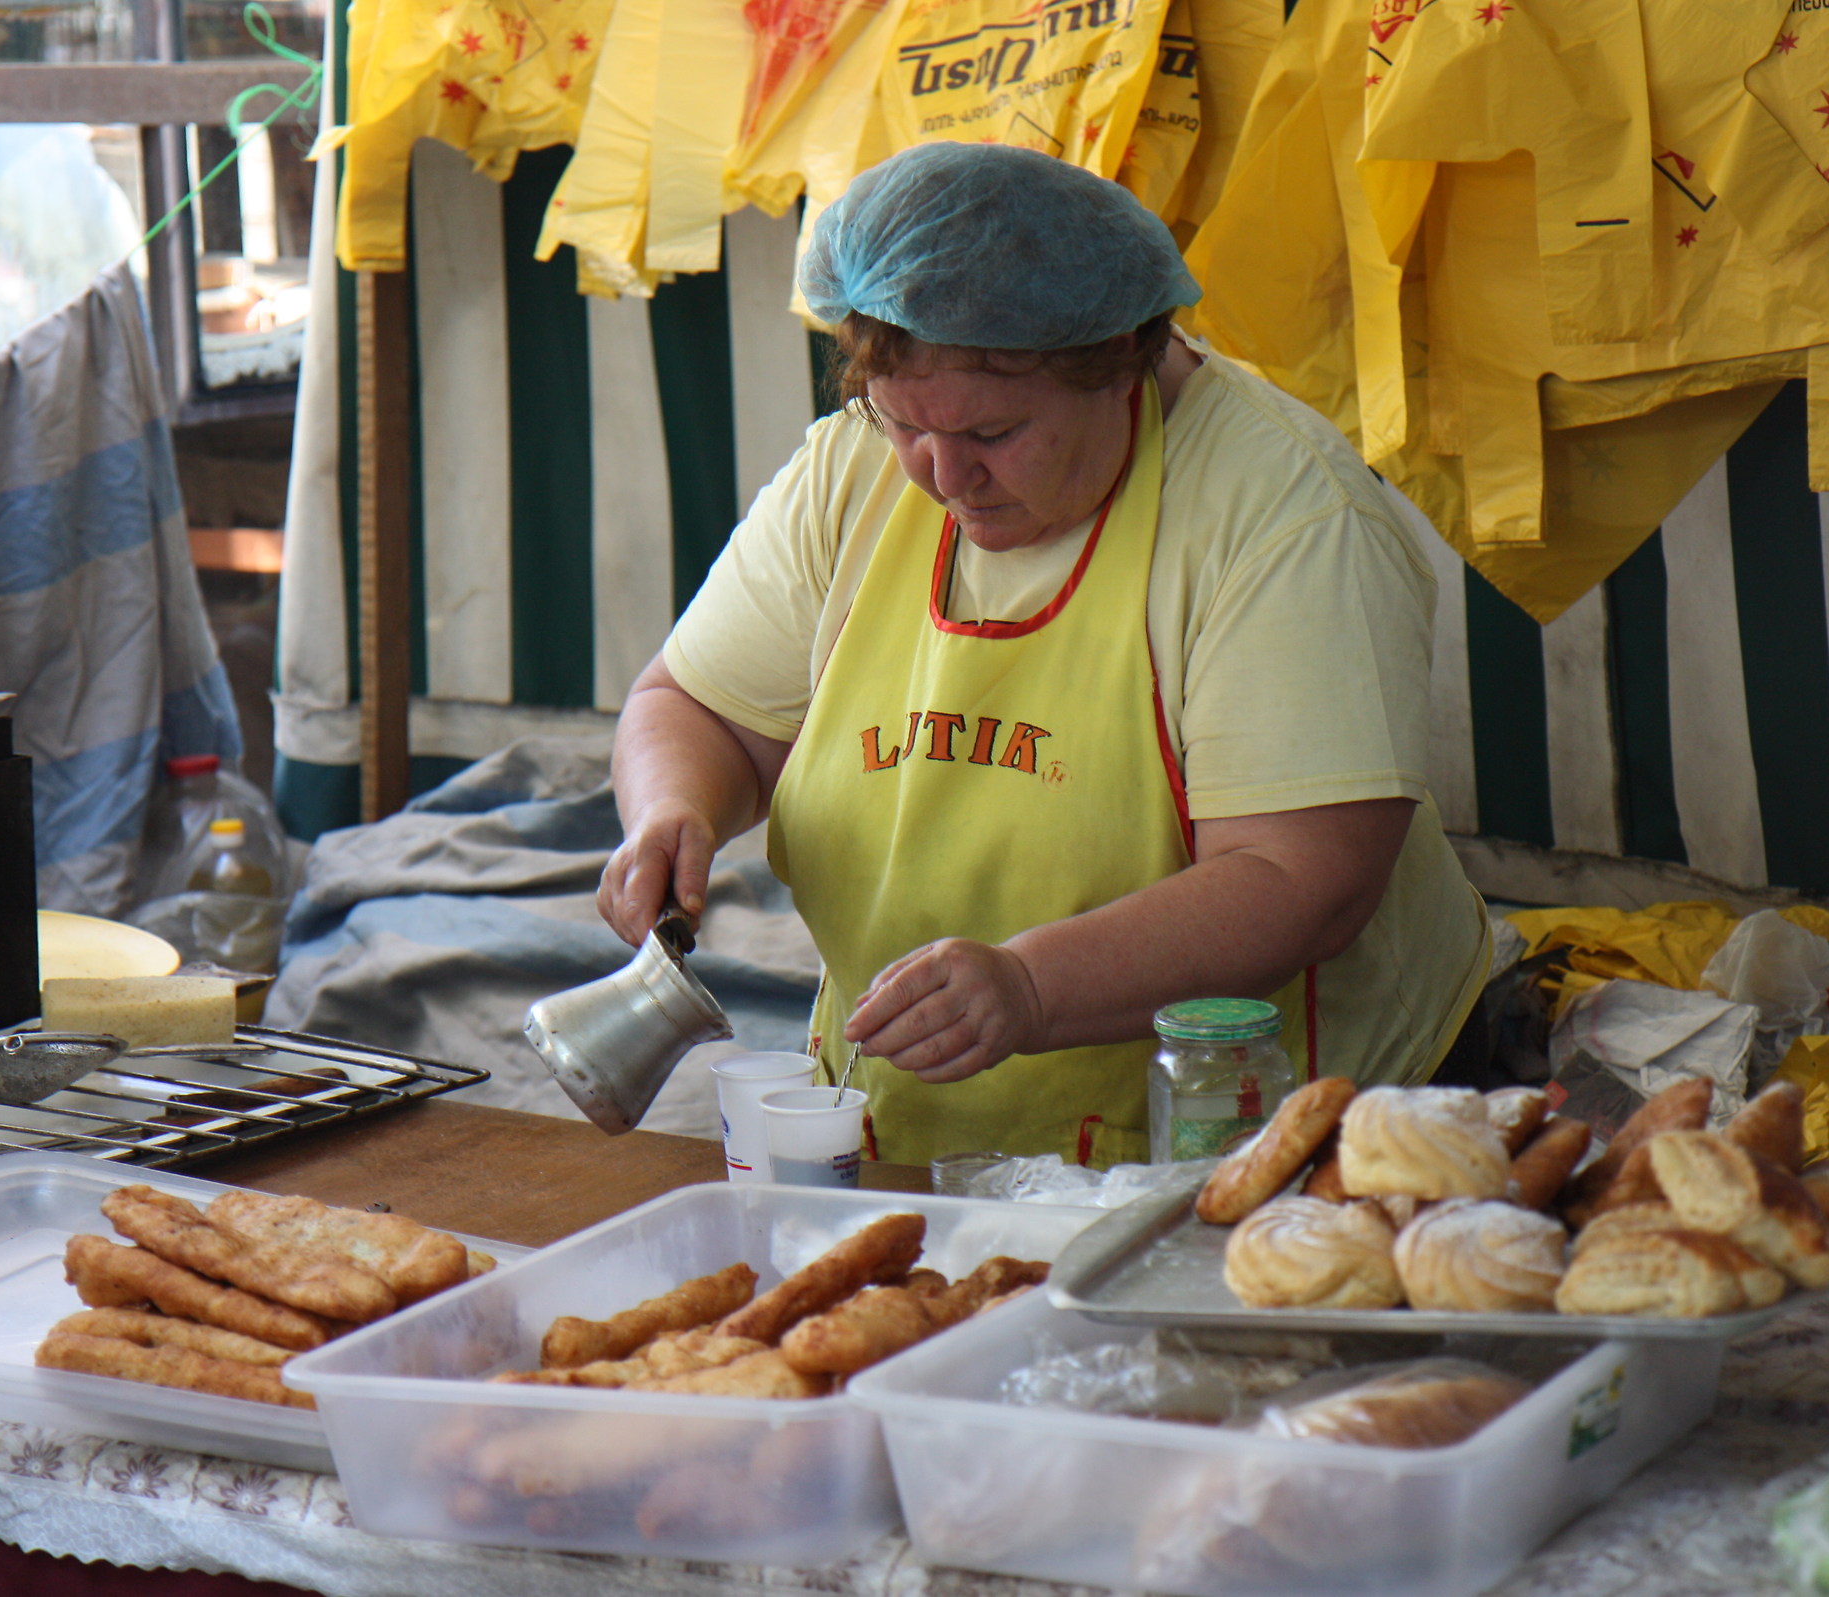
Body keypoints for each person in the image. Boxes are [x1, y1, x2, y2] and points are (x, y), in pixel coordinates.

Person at [598, 143, 1490, 1167]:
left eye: (996, 432)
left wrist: (1029, 986)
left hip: (1271, 1138)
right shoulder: (850, 473)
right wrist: (673, 811)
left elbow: (1301, 877)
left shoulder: (1286, 516)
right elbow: (694, 707)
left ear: (1121, 367)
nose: (944, 475)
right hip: (919, 1128)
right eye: (903, 423)